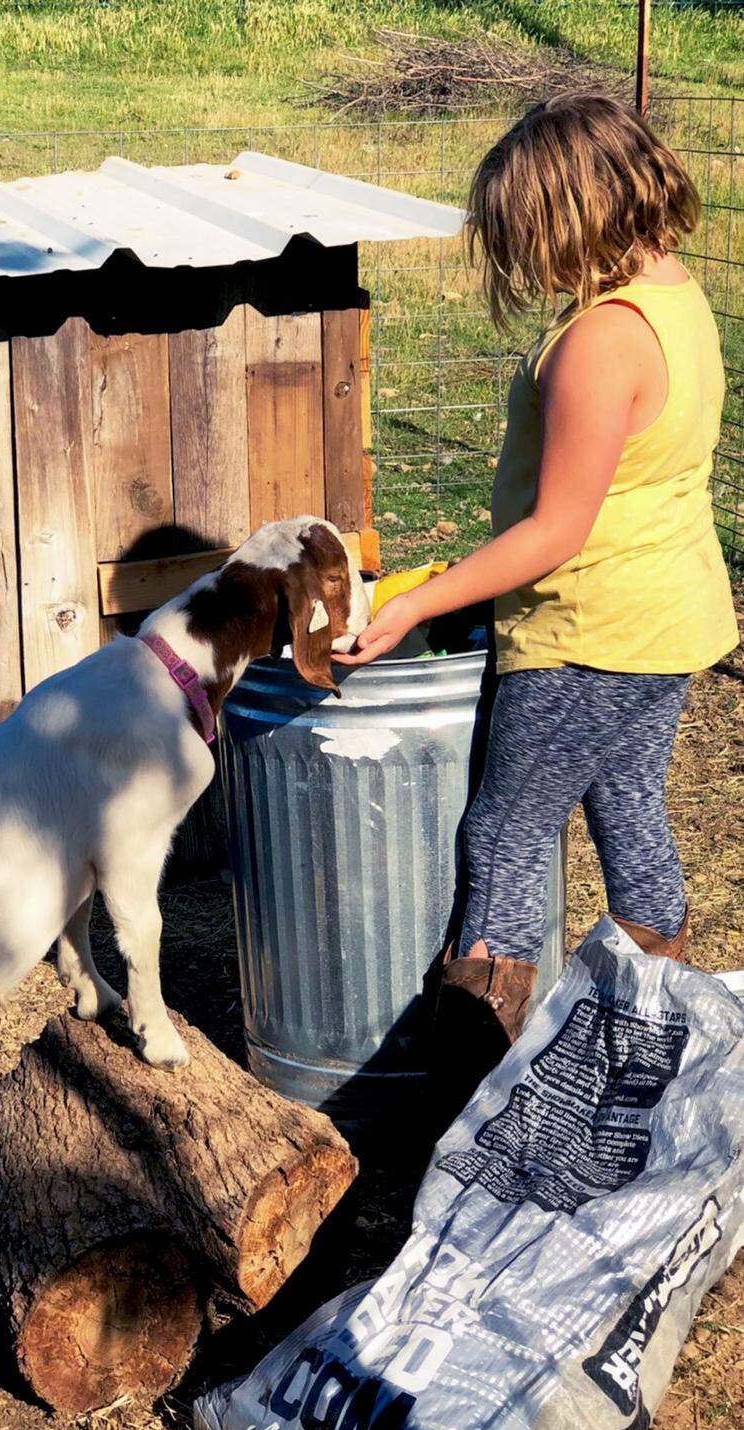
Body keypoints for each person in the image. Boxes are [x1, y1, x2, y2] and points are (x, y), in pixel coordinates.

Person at [339, 93, 739, 1098]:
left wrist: (416, 605)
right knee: (632, 811)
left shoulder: (604, 339)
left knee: (504, 839)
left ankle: (477, 1098)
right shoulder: (674, 297)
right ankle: (645, 1058)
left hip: (588, 630)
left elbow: (558, 529)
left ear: (566, 214)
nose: (521, 256)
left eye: (524, 231)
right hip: (667, 613)